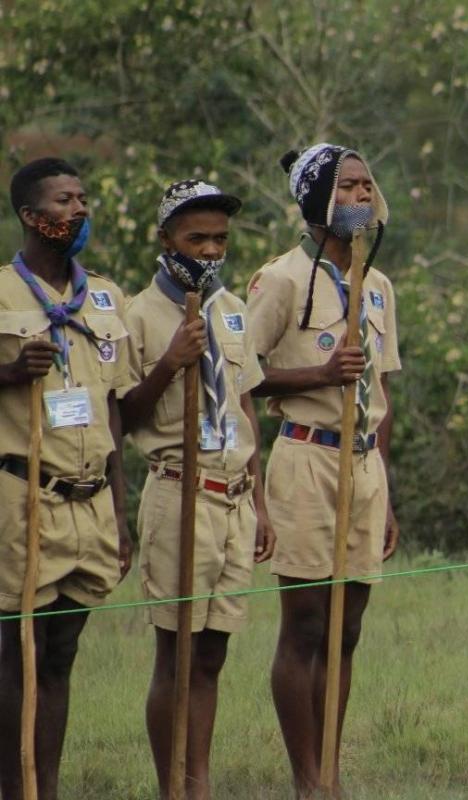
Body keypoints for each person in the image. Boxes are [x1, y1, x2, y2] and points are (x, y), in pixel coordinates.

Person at [246, 144, 400, 798]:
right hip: (306, 455)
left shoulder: (379, 285)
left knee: (349, 626)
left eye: (368, 186)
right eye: (348, 186)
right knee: (306, 624)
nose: (362, 197)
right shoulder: (280, 279)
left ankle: (331, 770)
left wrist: (386, 488)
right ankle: (306, 779)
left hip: (363, 463)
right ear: (315, 201)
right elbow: (240, 374)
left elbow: (384, 389)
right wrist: (316, 374)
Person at [118, 179, 275, 799]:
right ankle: (171, 787)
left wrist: (260, 502)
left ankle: (199, 782)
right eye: (196, 238)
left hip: (234, 496)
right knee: (176, 656)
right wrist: (169, 364)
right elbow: (122, 417)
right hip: (179, 492)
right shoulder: (137, 314)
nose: (210, 250)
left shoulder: (231, 307)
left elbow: (244, 405)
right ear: (165, 240)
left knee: (212, 655)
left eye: (220, 239)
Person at [0, 157, 133, 799]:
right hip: (25, 493)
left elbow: (111, 407)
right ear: (31, 216)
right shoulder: (1, 291)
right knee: (13, 659)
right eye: (63, 200)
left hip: (91, 501)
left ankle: (45, 788)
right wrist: (6, 371)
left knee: (61, 653)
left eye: (83, 197)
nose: (79, 209)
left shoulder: (106, 297)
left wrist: (123, 511)